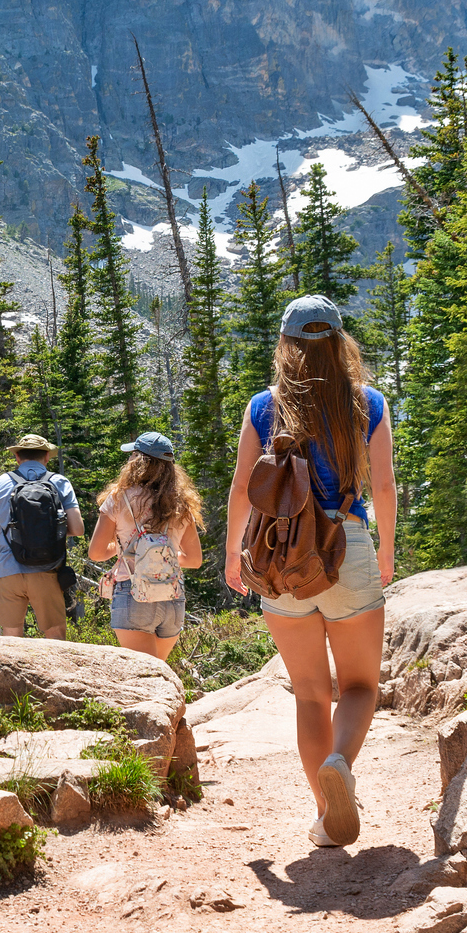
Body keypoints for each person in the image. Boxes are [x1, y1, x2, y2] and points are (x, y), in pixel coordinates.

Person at [225, 294, 397, 849]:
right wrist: (386, 553)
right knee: (360, 685)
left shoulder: (262, 406)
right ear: (340, 343)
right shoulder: (366, 403)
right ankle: (341, 763)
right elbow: (385, 487)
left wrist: (234, 555)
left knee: (308, 693)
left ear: (286, 345)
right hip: (346, 544)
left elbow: (240, 489)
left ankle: (327, 816)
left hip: (281, 555)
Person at [86, 431, 205, 660]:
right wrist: (161, 557)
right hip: (172, 596)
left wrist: (126, 551)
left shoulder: (119, 498)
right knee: (159, 672)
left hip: (133, 593)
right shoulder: (182, 503)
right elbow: (194, 560)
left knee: (145, 679)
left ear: (137, 461)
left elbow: (97, 553)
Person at [0, 433, 85, 639]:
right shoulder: (59, 482)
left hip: (8, 570)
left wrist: (0, 565)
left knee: (11, 642)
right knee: (55, 638)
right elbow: (78, 529)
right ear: (46, 457)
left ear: (17, 457)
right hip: (47, 569)